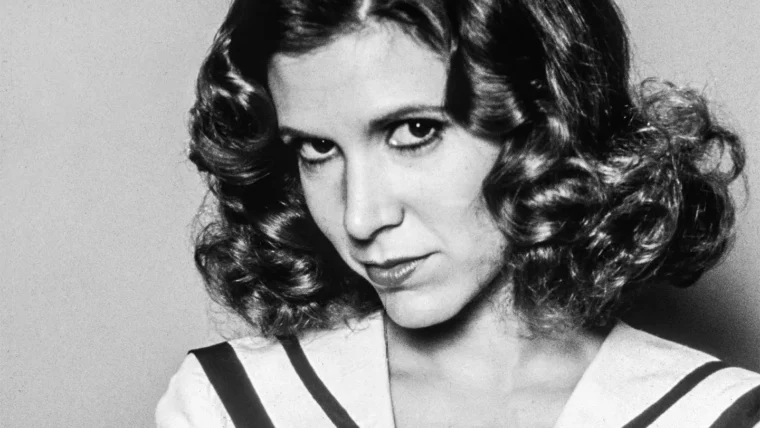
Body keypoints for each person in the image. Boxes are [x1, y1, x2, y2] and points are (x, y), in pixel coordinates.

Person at [156, 0, 760, 426]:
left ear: (544, 124)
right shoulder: (232, 405)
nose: (361, 217)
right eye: (317, 148)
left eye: (414, 132)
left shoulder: (713, 415)